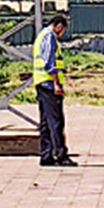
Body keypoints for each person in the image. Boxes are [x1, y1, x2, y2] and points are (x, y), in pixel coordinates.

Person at [33, 13, 75, 167]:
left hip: (41, 83)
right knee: (56, 122)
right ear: (59, 27)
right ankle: (60, 154)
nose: (62, 34)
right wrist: (57, 83)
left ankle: (46, 155)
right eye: (63, 31)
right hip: (49, 85)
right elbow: (49, 62)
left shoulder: (41, 36)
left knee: (45, 122)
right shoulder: (49, 37)